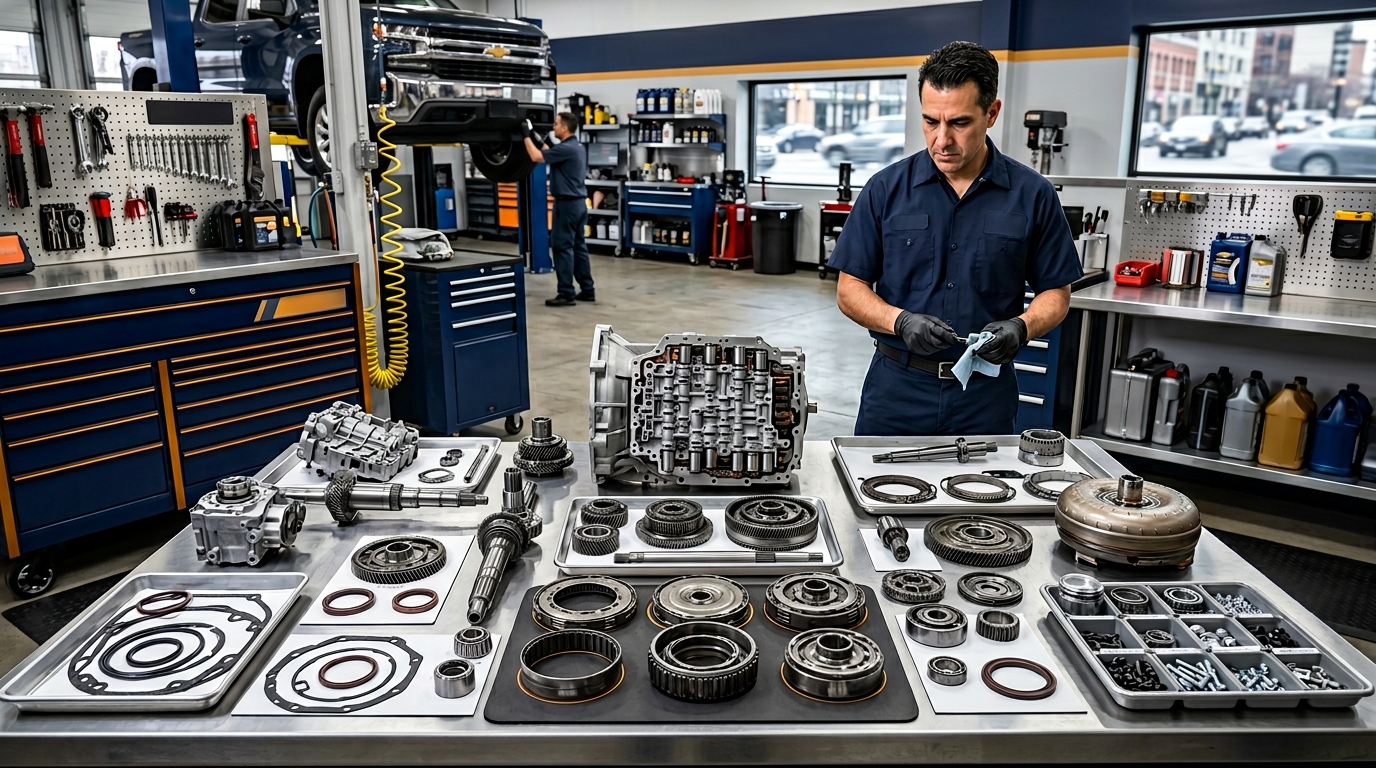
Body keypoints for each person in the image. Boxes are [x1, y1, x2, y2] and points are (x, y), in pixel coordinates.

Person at [828, 41, 1081, 436]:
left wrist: (1022, 327)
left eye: (959, 123)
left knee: (983, 497)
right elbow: (849, 289)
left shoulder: (1033, 195)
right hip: (897, 391)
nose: (941, 140)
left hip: (984, 398)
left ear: (991, 113)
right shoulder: (885, 190)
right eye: (931, 121)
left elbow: (1056, 293)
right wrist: (900, 321)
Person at [523, 112, 595, 306]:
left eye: (556, 124)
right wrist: (538, 137)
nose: (553, 127)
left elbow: (536, 156)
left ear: (564, 128)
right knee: (579, 247)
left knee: (562, 248)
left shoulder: (567, 149)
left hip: (566, 205)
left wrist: (524, 135)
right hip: (579, 204)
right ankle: (587, 289)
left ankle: (566, 293)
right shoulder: (575, 147)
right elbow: (548, 151)